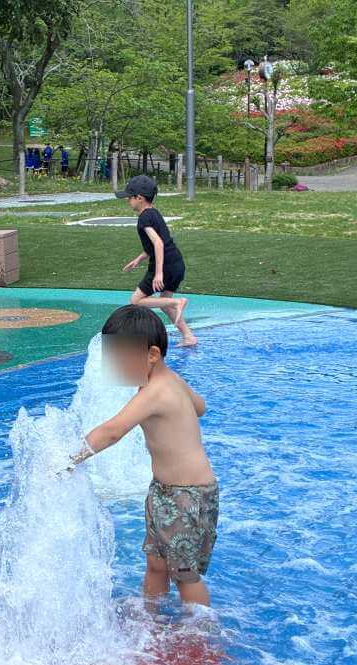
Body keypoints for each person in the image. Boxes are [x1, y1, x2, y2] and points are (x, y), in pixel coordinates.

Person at [67, 305, 218, 606]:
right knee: (156, 563)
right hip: (163, 492)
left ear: (151, 355)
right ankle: (152, 621)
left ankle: (202, 637)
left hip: (187, 496)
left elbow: (113, 430)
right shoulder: (170, 381)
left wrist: (67, 458)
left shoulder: (155, 392)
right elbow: (200, 407)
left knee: (185, 575)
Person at [116, 175, 197, 347]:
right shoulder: (154, 213)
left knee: (136, 301)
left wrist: (158, 274)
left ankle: (178, 302)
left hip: (165, 266)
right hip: (176, 263)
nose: (127, 201)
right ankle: (188, 336)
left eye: (129, 197)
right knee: (164, 304)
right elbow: (160, 242)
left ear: (139, 198)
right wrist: (140, 258)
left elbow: (158, 243)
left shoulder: (144, 218)